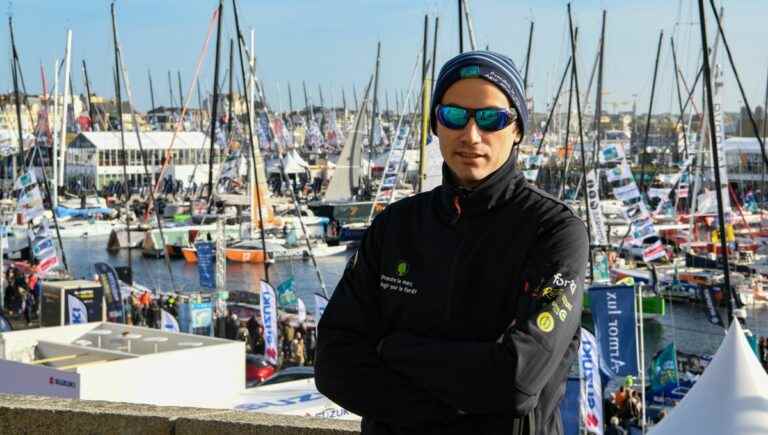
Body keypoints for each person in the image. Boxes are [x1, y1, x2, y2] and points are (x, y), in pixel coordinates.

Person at [315, 51, 589, 435]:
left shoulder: (554, 230)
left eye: (492, 119)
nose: (471, 135)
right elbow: (332, 363)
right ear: (436, 124)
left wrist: (392, 350)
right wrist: (458, 409)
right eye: (455, 116)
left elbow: (515, 380)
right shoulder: (395, 226)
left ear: (517, 130)